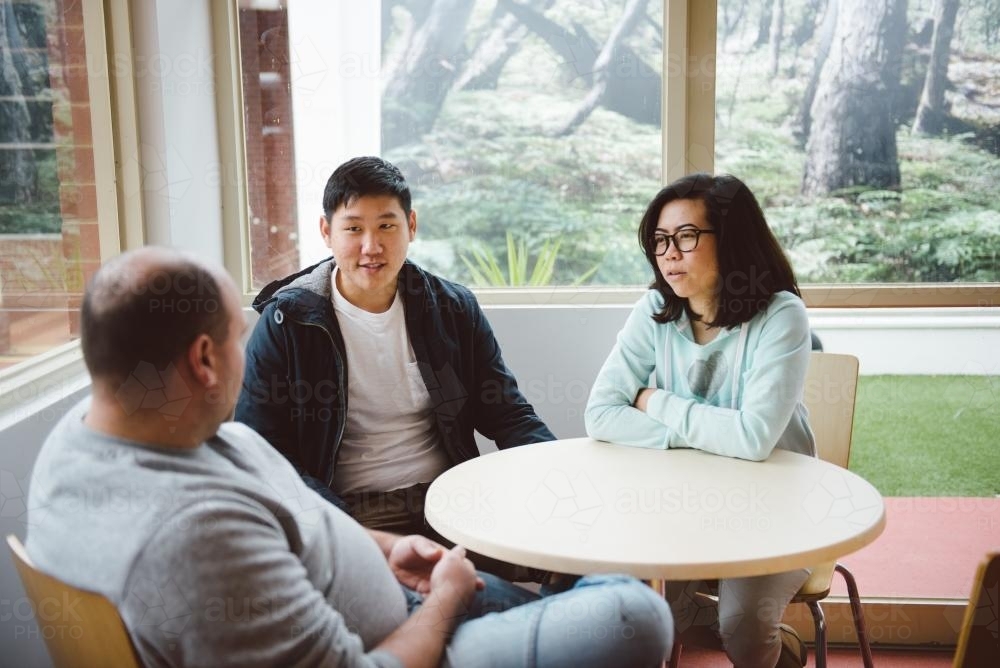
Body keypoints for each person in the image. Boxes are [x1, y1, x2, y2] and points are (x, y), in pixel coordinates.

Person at [25, 247, 673, 667]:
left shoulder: (90, 439)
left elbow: (287, 516)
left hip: (395, 589)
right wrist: (445, 600)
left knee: (594, 598)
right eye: (237, 339)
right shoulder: (190, 537)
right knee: (635, 614)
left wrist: (385, 548)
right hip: (405, 644)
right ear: (202, 359)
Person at [235, 156, 555, 579]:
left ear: (412, 226)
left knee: (571, 564)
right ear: (327, 232)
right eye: (353, 228)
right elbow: (265, 452)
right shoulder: (287, 322)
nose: (371, 246)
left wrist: (558, 479)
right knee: (443, 599)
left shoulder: (452, 308)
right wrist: (340, 528)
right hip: (354, 513)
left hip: (453, 502)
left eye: (387, 226)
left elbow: (507, 412)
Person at [584, 173, 816, 668]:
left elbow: (753, 440)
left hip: (777, 508)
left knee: (745, 625)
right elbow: (600, 414)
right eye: (660, 240)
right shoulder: (654, 310)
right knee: (637, 609)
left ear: (732, 241)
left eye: (687, 237)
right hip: (680, 504)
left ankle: (766, 650)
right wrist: (712, 436)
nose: (669, 253)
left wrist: (654, 402)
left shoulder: (781, 316)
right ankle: (702, 617)